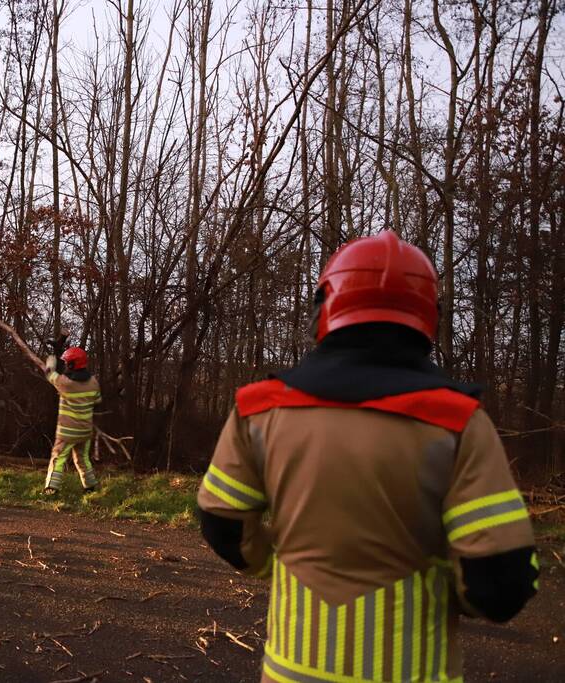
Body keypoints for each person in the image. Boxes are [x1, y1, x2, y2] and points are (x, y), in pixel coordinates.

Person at [198, 230, 538, 683]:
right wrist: (450, 594)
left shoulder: (259, 410)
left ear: (325, 306)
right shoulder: (458, 422)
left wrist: (273, 566)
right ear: (428, 316)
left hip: (290, 671)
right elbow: (500, 580)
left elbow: (221, 521)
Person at [43, 342, 101, 496]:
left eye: (67, 363)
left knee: (58, 458)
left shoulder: (65, 383)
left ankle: (51, 489)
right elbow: (97, 401)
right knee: (83, 458)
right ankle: (90, 487)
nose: (65, 365)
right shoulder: (93, 382)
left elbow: (49, 373)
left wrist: (51, 359)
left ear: (71, 364)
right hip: (85, 431)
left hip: (67, 432)